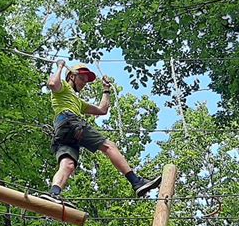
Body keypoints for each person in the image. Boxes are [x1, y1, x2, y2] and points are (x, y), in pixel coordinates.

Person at [40, 60, 161, 207]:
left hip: (63, 131)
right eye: (82, 78)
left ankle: (54, 193)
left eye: (86, 80)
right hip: (70, 121)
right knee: (109, 146)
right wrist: (60, 66)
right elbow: (52, 84)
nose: (84, 83)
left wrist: (106, 90)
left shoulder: (78, 102)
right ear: (71, 76)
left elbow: (102, 110)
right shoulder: (63, 88)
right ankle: (136, 182)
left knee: (68, 164)